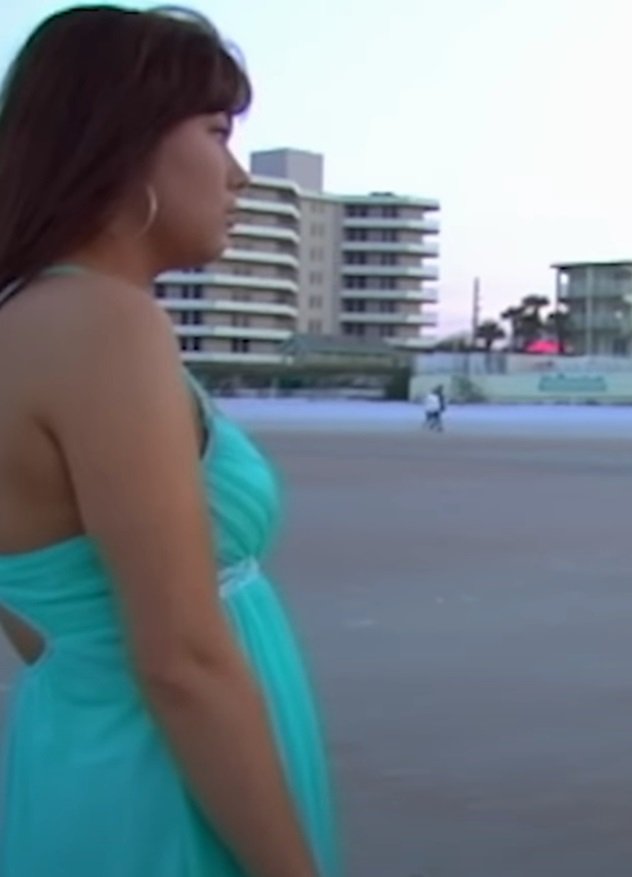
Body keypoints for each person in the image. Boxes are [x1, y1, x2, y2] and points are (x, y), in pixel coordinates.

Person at [0, 7, 340, 877]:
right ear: (122, 141)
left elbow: (37, 617)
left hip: (85, 746)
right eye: (217, 132)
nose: (239, 175)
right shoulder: (105, 325)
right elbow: (181, 660)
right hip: (167, 782)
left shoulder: (23, 322)